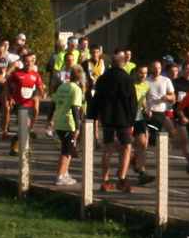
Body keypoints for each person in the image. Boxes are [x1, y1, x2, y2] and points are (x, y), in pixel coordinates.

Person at [88, 51, 139, 191]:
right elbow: (132, 103)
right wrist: (132, 120)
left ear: (111, 63)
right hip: (123, 119)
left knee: (107, 148)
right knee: (127, 147)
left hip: (107, 118)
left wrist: (92, 116)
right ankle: (122, 178)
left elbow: (96, 99)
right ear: (123, 63)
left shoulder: (103, 78)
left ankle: (105, 180)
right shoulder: (127, 79)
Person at [49, 66, 86, 187]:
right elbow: (75, 109)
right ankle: (59, 176)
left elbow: (54, 104)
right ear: (80, 77)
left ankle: (65, 173)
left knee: (68, 149)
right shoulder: (76, 89)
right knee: (66, 151)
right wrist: (78, 127)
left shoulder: (62, 86)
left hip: (59, 121)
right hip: (68, 123)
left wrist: (50, 120)